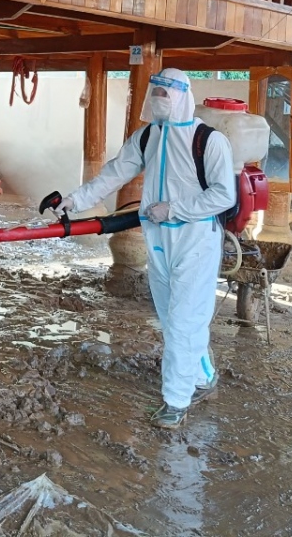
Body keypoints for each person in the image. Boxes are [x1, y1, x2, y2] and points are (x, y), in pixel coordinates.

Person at [56, 68, 236, 429]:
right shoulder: (148, 136)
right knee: (174, 318)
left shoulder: (209, 141)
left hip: (195, 238)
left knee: (185, 320)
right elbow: (114, 173)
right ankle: (203, 376)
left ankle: (176, 401)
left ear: (183, 96)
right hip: (158, 240)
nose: (158, 100)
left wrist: (175, 209)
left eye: (165, 94)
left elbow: (223, 195)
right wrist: (74, 201)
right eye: (154, 93)